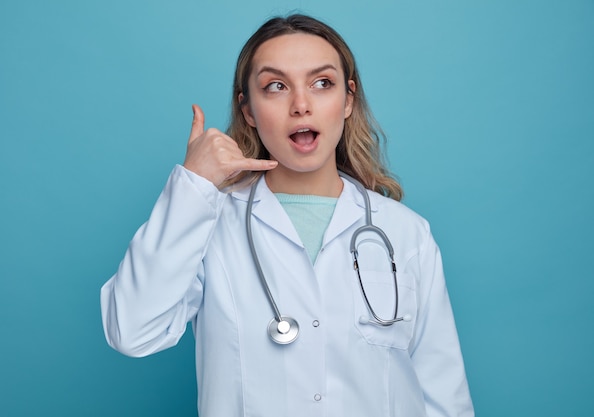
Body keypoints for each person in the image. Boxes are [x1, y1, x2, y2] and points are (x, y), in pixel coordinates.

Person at [101, 14, 474, 417]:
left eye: (322, 83)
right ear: (248, 110)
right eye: (276, 86)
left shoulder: (405, 232)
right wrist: (193, 186)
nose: (301, 105)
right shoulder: (208, 221)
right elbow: (132, 332)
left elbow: (443, 396)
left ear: (348, 100)